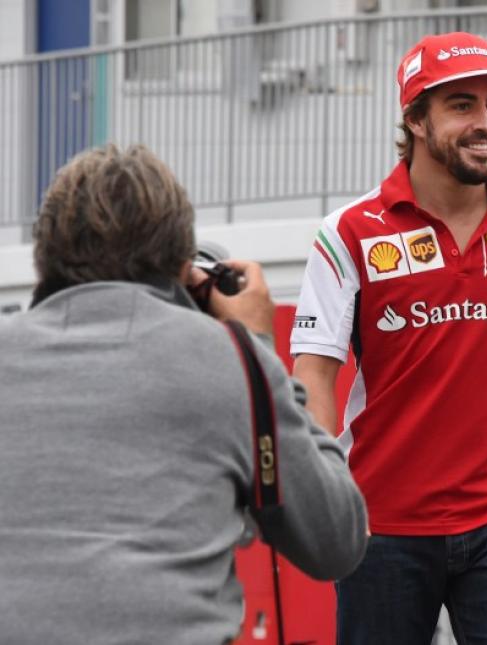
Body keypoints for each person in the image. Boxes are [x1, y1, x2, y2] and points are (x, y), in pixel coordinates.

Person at [0, 144, 368, 644]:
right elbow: (336, 539)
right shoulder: (230, 361)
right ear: (182, 266)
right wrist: (257, 350)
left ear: (44, 256)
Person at [291, 31, 487, 644]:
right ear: (416, 119)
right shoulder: (349, 230)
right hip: (380, 523)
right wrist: (328, 501)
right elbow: (313, 372)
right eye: (462, 105)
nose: (484, 123)